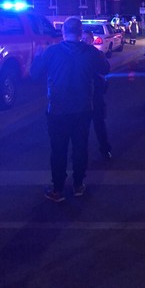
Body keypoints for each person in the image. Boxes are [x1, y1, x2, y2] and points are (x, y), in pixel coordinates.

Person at [30, 17, 110, 203]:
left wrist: (37, 57)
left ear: (63, 32)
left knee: (58, 148)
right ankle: (78, 185)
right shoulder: (90, 52)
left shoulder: (51, 52)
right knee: (80, 146)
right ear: (81, 32)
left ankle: (57, 189)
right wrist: (99, 55)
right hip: (83, 108)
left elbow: (35, 75)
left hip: (57, 109)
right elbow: (105, 69)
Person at [82, 29, 112, 160]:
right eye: (82, 38)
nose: (85, 41)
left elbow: (105, 69)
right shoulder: (78, 55)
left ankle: (105, 149)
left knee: (99, 124)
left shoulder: (96, 54)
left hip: (96, 96)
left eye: (87, 39)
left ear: (92, 40)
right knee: (82, 128)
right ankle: (79, 154)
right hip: (82, 97)